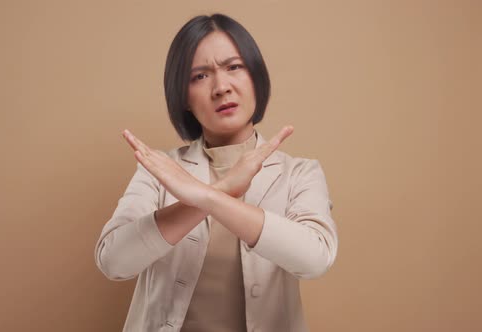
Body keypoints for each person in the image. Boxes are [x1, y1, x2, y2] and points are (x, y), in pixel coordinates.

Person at [94, 13, 338, 332]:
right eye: (200, 76)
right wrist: (222, 189)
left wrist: (210, 196)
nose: (221, 87)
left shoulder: (300, 173)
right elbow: (114, 262)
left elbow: (315, 259)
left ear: (256, 76)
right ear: (183, 96)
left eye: (234, 67)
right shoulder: (160, 170)